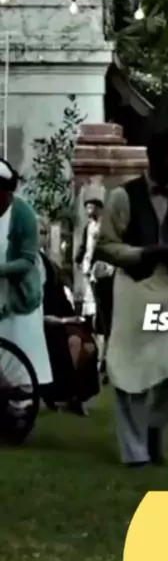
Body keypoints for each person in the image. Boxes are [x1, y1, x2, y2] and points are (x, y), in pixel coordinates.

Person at [96, 128, 168, 467]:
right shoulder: (122, 197)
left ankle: (154, 427)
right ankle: (136, 452)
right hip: (133, 285)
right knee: (131, 370)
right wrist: (143, 253)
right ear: (154, 157)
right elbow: (106, 245)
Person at [38, 217, 100, 415]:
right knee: (74, 343)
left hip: (60, 316)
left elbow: (61, 298)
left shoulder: (49, 264)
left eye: (44, 233)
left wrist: (71, 318)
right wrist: (63, 320)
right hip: (42, 319)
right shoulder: (31, 262)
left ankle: (76, 396)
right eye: (39, 232)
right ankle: (66, 394)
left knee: (89, 346)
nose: (42, 237)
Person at [0, 160, 53, 390]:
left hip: (19, 293)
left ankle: (22, 399)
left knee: (21, 348)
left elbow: (27, 259)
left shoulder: (23, 214)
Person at [75, 198, 103, 327]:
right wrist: (78, 258)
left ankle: (99, 321)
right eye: (87, 208)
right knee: (89, 294)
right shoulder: (89, 226)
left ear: (99, 209)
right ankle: (90, 320)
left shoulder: (104, 226)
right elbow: (84, 244)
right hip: (88, 264)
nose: (88, 211)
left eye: (91, 208)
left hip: (100, 266)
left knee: (99, 294)